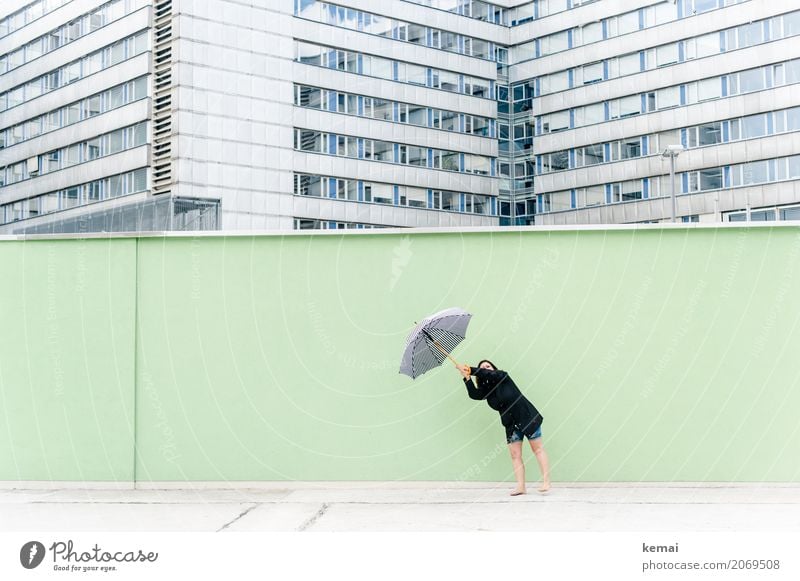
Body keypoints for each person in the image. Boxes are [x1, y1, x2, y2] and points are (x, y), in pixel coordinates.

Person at [459, 360, 550, 495]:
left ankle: (546, 482)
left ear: (494, 368)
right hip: (511, 424)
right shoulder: (487, 390)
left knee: (537, 449)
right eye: (482, 368)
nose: (485, 368)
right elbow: (474, 395)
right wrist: (467, 377)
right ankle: (521, 487)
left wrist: (470, 369)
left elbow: (489, 374)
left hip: (527, 418)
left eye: (488, 366)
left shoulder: (503, 376)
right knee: (515, 455)